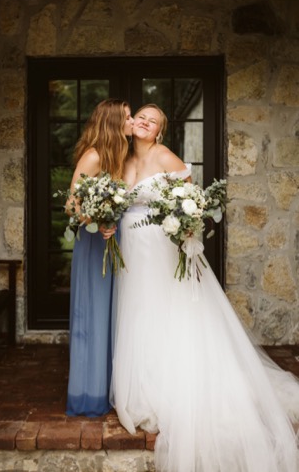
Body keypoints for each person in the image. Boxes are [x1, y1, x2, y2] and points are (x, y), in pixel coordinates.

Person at [112, 104, 299, 471]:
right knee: (140, 311)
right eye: (142, 116)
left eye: (154, 120)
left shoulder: (165, 156)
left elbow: (190, 202)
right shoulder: (121, 160)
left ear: (159, 131)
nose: (146, 122)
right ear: (131, 124)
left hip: (162, 249)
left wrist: (187, 232)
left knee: (171, 310)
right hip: (132, 250)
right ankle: (144, 383)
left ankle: (175, 384)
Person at [64, 98, 134, 417]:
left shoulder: (121, 157)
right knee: (93, 314)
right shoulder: (92, 156)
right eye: (128, 117)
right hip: (94, 244)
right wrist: (98, 221)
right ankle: (88, 392)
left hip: (115, 240)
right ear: (113, 123)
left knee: (114, 314)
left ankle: (110, 388)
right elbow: (71, 204)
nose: (132, 121)